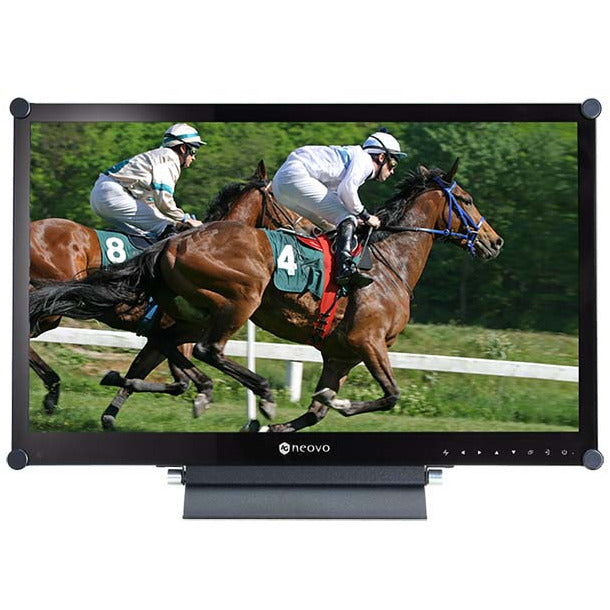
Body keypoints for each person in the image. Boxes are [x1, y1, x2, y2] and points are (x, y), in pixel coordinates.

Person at [272, 129, 406, 286]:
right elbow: (346, 190)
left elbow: (336, 196)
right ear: (381, 157)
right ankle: (344, 269)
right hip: (297, 176)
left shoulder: (353, 158)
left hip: (279, 184)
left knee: (329, 225)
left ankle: (310, 266)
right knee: (346, 218)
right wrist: (366, 216)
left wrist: (355, 218)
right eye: (392, 163)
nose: (392, 171)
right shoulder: (364, 161)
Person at [90, 123, 205, 240]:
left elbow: (152, 203)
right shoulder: (170, 157)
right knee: (169, 227)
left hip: (105, 194)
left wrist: (177, 218)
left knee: (148, 234)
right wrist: (185, 219)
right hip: (114, 195)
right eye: (194, 151)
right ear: (183, 148)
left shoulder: (160, 155)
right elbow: (164, 202)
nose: (194, 157)